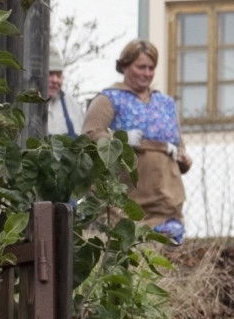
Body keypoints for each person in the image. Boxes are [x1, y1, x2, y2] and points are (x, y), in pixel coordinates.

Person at [83, 39, 191, 243]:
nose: (147, 73)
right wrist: (118, 139)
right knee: (130, 253)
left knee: (165, 260)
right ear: (125, 65)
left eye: (151, 68)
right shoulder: (109, 99)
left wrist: (183, 156)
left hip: (165, 204)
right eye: (141, 67)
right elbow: (89, 135)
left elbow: (179, 145)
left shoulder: (165, 103)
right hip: (126, 203)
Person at [44, 61, 82, 137]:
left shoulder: (73, 105)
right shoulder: (27, 105)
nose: (55, 80)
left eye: (58, 75)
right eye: (50, 73)